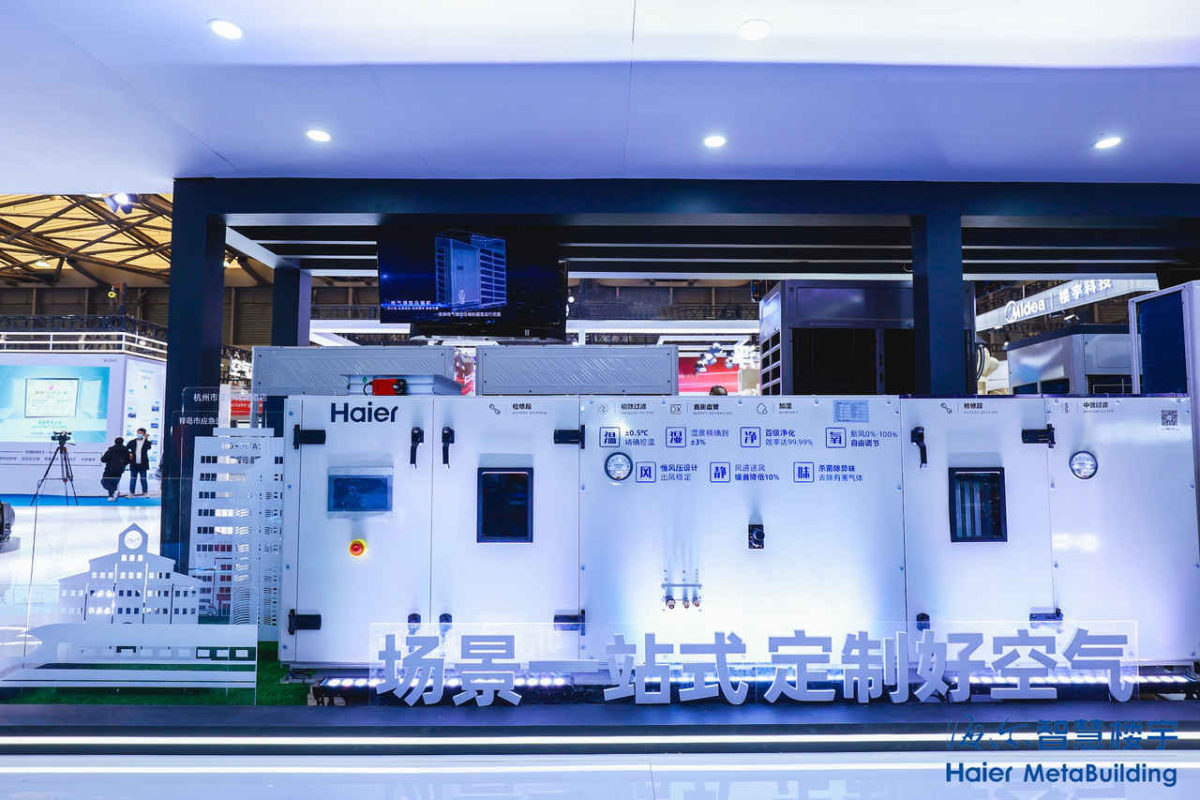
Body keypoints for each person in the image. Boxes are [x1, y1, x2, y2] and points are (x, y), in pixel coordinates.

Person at [126, 428, 153, 496]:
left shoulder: (147, 442)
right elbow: (126, 449)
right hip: (134, 464)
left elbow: (149, 447)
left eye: (141, 433)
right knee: (133, 479)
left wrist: (145, 439)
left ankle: (145, 492)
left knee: (143, 479)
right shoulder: (132, 442)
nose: (139, 434)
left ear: (144, 434)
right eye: (138, 433)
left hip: (143, 464)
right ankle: (131, 493)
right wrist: (129, 455)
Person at [100, 436, 128, 502]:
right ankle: (111, 496)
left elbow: (103, 459)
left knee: (104, 482)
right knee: (114, 484)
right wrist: (123, 464)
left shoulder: (111, 450)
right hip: (120, 470)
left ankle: (114, 492)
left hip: (110, 469)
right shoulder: (126, 450)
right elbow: (128, 460)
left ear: (115, 442)